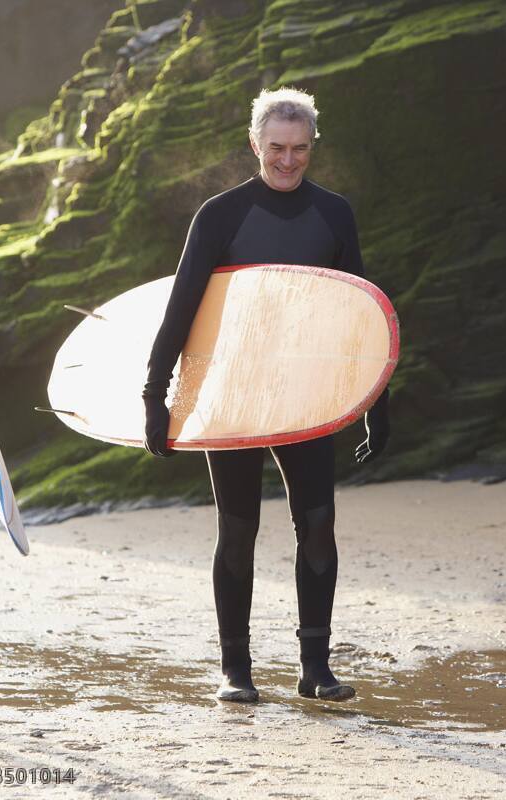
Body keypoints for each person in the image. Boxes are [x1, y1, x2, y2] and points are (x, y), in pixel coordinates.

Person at [142, 87, 391, 703]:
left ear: (312, 147)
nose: (287, 160)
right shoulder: (221, 215)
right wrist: (156, 393)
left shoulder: (334, 214)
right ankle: (237, 671)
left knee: (318, 522)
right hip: (232, 391)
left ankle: (316, 668)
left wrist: (375, 401)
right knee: (237, 527)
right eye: (277, 148)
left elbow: (360, 315)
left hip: (306, 393)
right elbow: (182, 309)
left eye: (300, 149)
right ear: (255, 144)